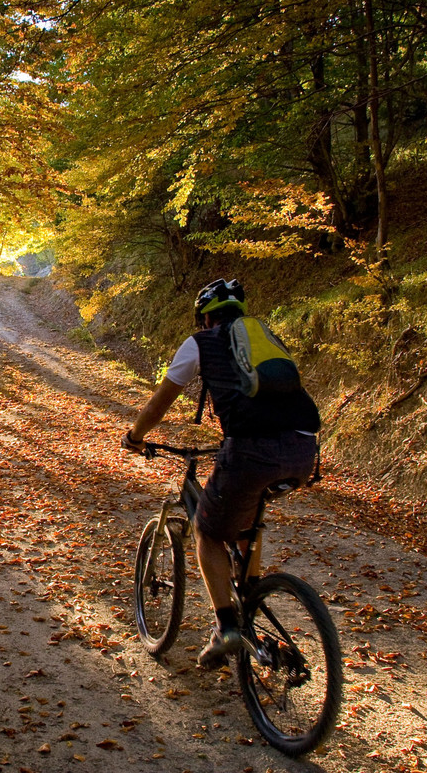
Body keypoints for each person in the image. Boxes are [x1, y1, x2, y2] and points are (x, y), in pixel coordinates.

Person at [121, 278, 320, 668]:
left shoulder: (201, 342)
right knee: (245, 521)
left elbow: (161, 401)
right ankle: (250, 597)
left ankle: (226, 627)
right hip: (303, 447)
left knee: (207, 532)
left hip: (251, 449)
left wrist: (135, 436)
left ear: (205, 317)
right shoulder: (263, 337)